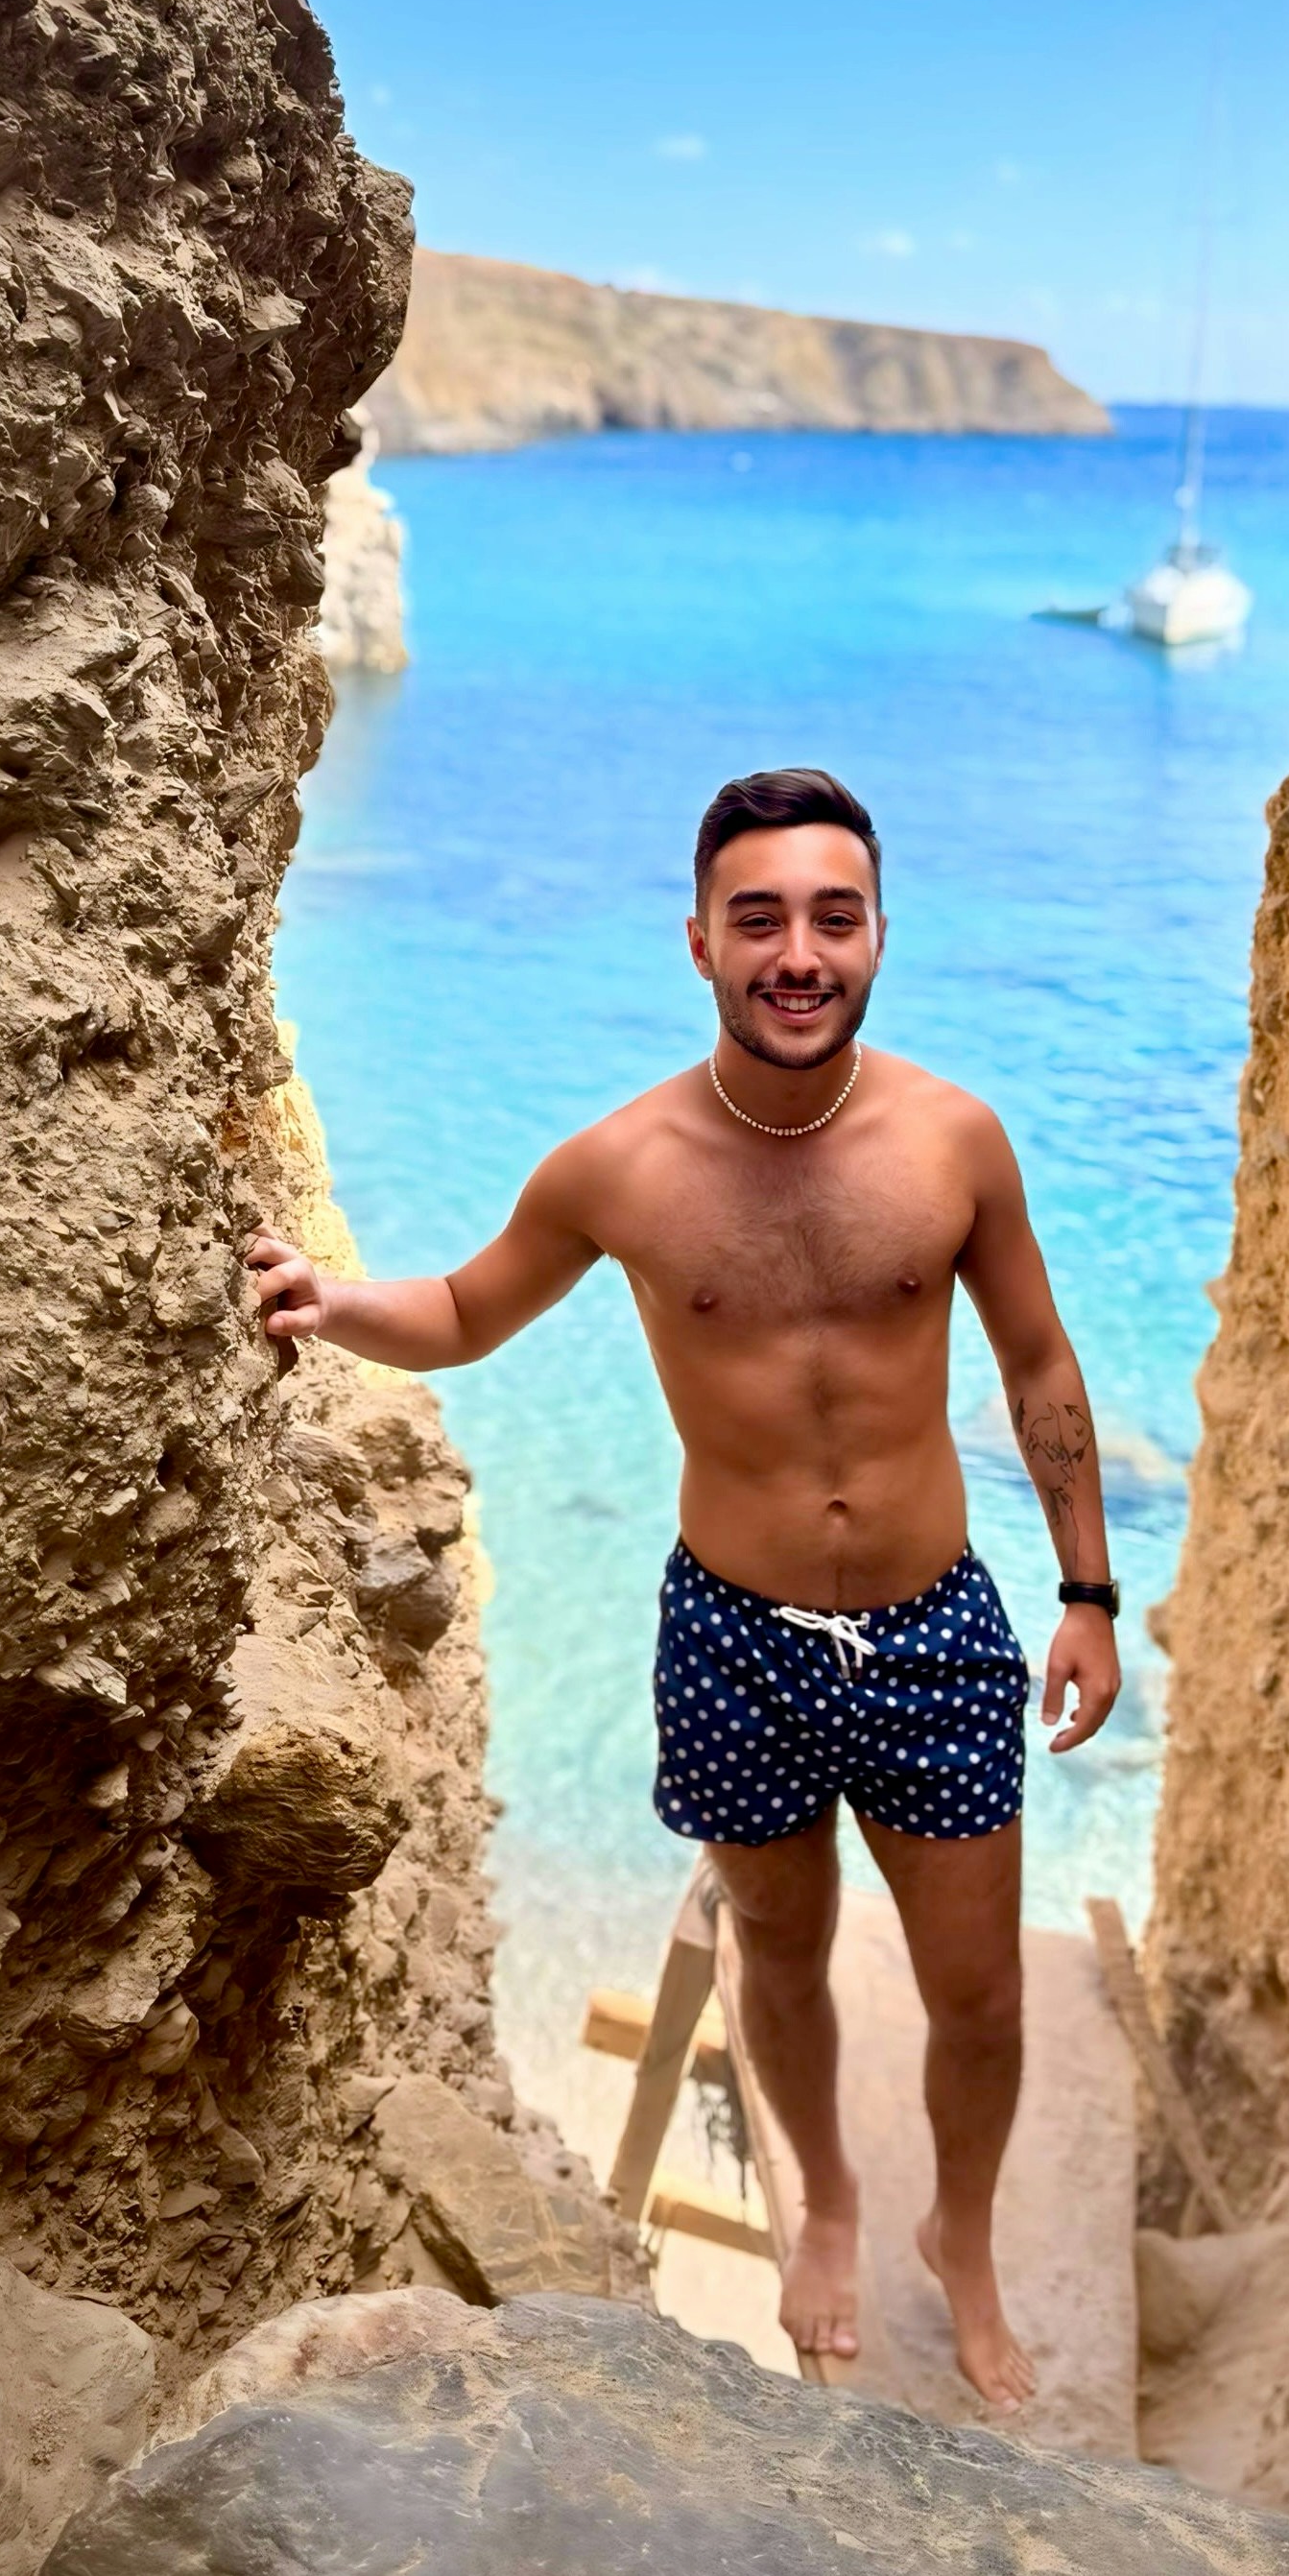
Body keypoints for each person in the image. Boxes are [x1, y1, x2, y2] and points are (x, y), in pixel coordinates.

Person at [248, 767, 1121, 2414]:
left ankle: (969, 2237)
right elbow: (462, 1308)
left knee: (983, 1992)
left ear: (878, 935)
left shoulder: (954, 1141)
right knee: (776, 1957)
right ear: (702, 939)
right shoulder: (623, 1167)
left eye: (834, 917)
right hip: (734, 1634)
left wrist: (1088, 1590)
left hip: (938, 1628)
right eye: (762, 918)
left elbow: (1037, 1361)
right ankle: (833, 2207)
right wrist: (326, 1297)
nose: (801, 952)